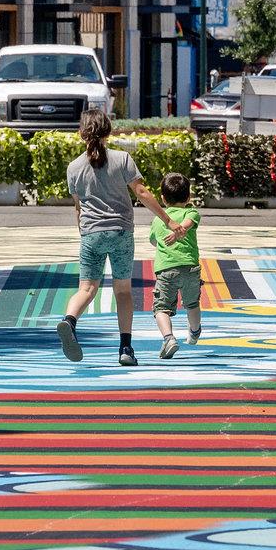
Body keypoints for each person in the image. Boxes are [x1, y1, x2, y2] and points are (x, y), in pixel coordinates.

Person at [58, 109, 185, 367]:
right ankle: (125, 348)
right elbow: (141, 192)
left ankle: (69, 321)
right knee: (123, 291)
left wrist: (83, 231)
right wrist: (168, 220)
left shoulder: (74, 168)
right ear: (109, 130)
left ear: (82, 133)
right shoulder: (122, 159)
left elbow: (78, 206)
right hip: (121, 232)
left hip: (91, 234)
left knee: (86, 289)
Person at [150, 172, 202, 359]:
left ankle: (169, 338)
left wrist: (174, 233)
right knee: (192, 303)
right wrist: (182, 230)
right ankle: (195, 331)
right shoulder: (191, 212)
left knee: (161, 308)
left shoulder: (158, 220)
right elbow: (190, 221)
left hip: (166, 270)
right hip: (190, 268)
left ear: (163, 198)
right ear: (188, 197)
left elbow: (154, 241)